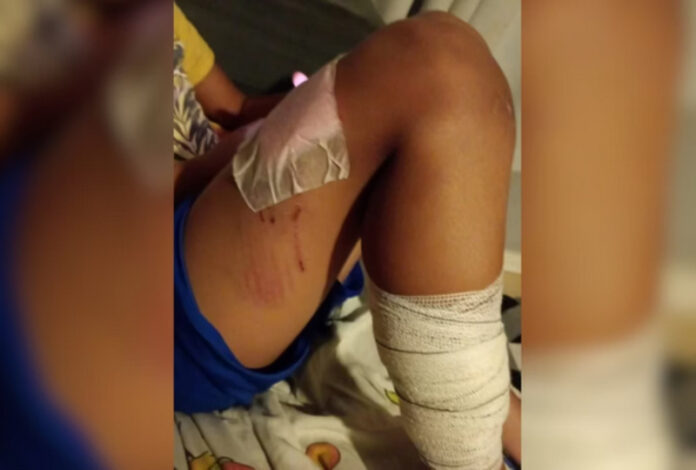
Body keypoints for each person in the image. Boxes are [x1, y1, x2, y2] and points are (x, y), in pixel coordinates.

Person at [175, 10, 519, 469]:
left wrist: (312, 105)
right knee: (439, 63)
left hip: (218, 217)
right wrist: (245, 154)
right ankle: (472, 452)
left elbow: (234, 107)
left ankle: (503, 419)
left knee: (406, 80)